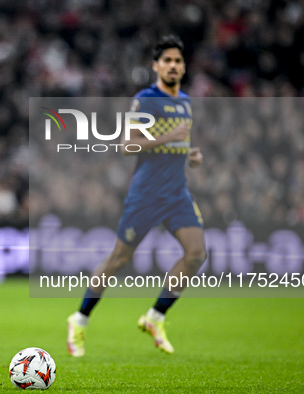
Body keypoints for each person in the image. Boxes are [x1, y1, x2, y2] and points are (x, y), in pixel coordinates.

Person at [67, 35, 206, 356]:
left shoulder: (185, 102)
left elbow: (176, 146)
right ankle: (79, 319)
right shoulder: (145, 100)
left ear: (184, 67)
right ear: (156, 66)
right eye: (167, 60)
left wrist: (190, 154)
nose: (173, 66)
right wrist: (169, 135)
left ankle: (155, 317)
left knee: (197, 254)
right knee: (119, 259)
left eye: (178, 61)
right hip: (146, 195)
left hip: (177, 193)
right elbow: (127, 145)